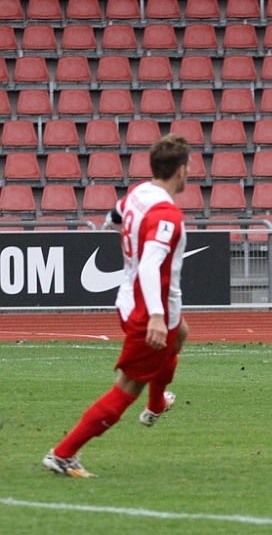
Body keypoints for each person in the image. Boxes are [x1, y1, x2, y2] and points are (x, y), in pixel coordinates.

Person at [44, 134, 192, 477]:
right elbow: (150, 265)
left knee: (181, 333)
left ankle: (156, 404)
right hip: (149, 309)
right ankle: (63, 454)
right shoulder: (167, 215)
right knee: (128, 386)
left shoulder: (139, 194)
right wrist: (156, 316)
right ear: (181, 171)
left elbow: (112, 219)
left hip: (128, 299)